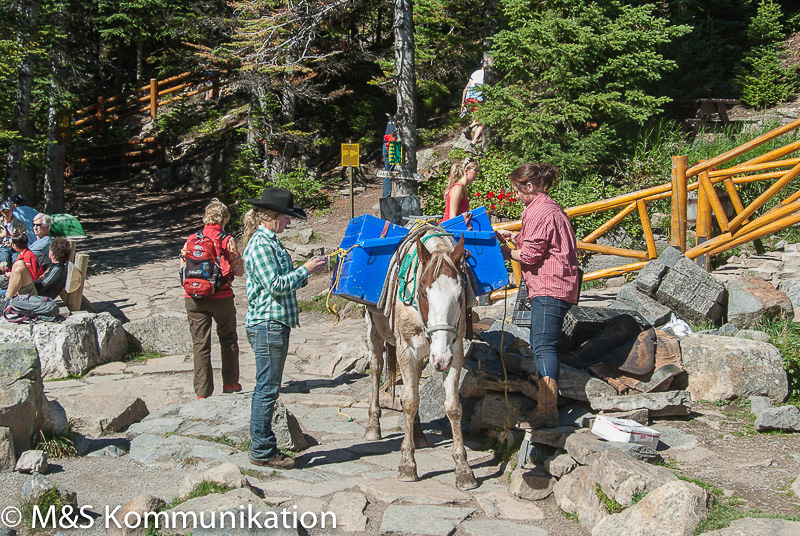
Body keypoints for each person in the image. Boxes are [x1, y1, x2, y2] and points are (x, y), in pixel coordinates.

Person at [241, 186, 326, 469]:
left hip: (274, 323)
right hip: (267, 324)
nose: (289, 223)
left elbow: (284, 281)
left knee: (268, 386)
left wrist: (307, 272)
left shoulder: (270, 242)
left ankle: (262, 445)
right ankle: (262, 449)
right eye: (287, 217)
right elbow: (276, 285)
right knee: (267, 388)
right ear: (272, 217)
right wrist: (306, 270)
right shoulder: (261, 245)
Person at [496, 163, 580, 429]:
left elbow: (531, 256)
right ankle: (549, 404)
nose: (516, 195)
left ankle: (547, 408)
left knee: (543, 345)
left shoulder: (537, 212)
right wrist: (516, 237)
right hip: (562, 285)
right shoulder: (550, 207)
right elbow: (541, 241)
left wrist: (506, 252)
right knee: (545, 343)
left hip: (548, 286)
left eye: (517, 190)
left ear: (529, 187)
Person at [183, 198, 245, 400]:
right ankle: (230, 383)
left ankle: (202, 393)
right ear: (224, 218)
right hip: (221, 297)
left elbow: (183, 265)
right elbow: (238, 271)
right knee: (228, 339)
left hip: (193, 297)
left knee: (200, 345)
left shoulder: (192, 239)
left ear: (205, 217)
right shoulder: (227, 240)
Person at [0, 231, 43, 298]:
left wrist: (11, 274)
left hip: (27, 288)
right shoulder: (22, 254)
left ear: (15, 245)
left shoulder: (28, 256)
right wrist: (7, 270)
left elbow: (30, 275)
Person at [443, 157, 479, 221]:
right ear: (466, 171)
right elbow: (452, 216)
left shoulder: (462, 188)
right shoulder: (457, 188)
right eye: (475, 170)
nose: (478, 173)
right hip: (448, 228)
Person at [460, 67, 485, 148]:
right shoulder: (488, 75)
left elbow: (465, 90)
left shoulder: (475, 73)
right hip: (478, 99)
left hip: (469, 98)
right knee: (483, 122)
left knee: (479, 119)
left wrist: (463, 104)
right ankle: (472, 145)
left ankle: (469, 130)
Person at [0, 200, 27, 269]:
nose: (6, 213)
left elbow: (24, 239)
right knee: (4, 259)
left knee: (17, 261)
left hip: (16, 248)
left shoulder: (19, 224)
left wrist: (13, 243)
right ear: (1, 212)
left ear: (12, 210)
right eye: (4, 211)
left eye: (8, 211)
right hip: (2, 247)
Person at [382, 115, 397, 198]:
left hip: (385, 144)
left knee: (387, 171)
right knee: (399, 169)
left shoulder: (390, 121)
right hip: (394, 145)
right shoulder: (400, 120)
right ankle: (398, 193)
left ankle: (386, 195)